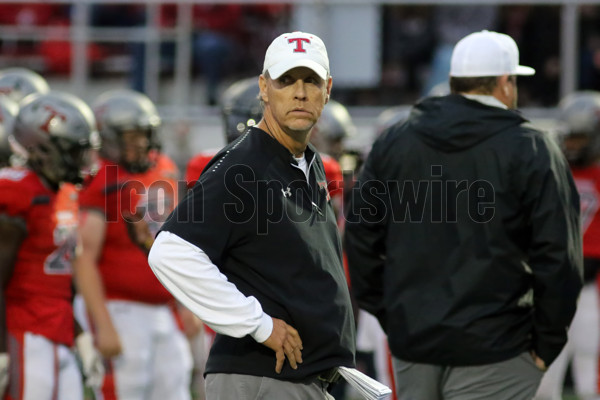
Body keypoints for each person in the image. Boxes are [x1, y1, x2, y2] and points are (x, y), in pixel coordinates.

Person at [345, 30, 583, 400]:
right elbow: (559, 261)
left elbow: (359, 240)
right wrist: (546, 346)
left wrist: (395, 317)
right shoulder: (532, 148)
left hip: (415, 344)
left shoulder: (395, 141)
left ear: (455, 81)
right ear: (506, 83)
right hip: (498, 349)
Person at [148, 31, 356, 399]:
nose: (300, 92)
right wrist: (258, 325)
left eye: (311, 81)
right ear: (263, 87)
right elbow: (171, 252)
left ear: (328, 89)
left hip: (295, 377)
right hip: (263, 376)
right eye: (286, 80)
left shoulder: (305, 161)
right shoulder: (244, 165)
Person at [74, 89, 193, 400]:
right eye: (131, 137)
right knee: (126, 389)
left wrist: (185, 303)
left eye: (144, 135)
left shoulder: (164, 167)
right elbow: (84, 257)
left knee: (175, 386)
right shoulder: (100, 178)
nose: (140, 143)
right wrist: (103, 323)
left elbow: (175, 242)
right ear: (109, 138)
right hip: (120, 306)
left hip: (163, 307)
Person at [0, 91, 100, 399]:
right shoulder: (15, 190)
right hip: (24, 333)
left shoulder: (63, 193)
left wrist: (80, 333)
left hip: (58, 332)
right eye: (73, 152)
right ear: (42, 148)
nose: (82, 164)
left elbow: (59, 279)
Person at [535, 91, 600, 400]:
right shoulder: (551, 170)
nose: (571, 145)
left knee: (591, 377)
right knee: (544, 384)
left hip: (592, 285)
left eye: (580, 137)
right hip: (555, 284)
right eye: (569, 137)